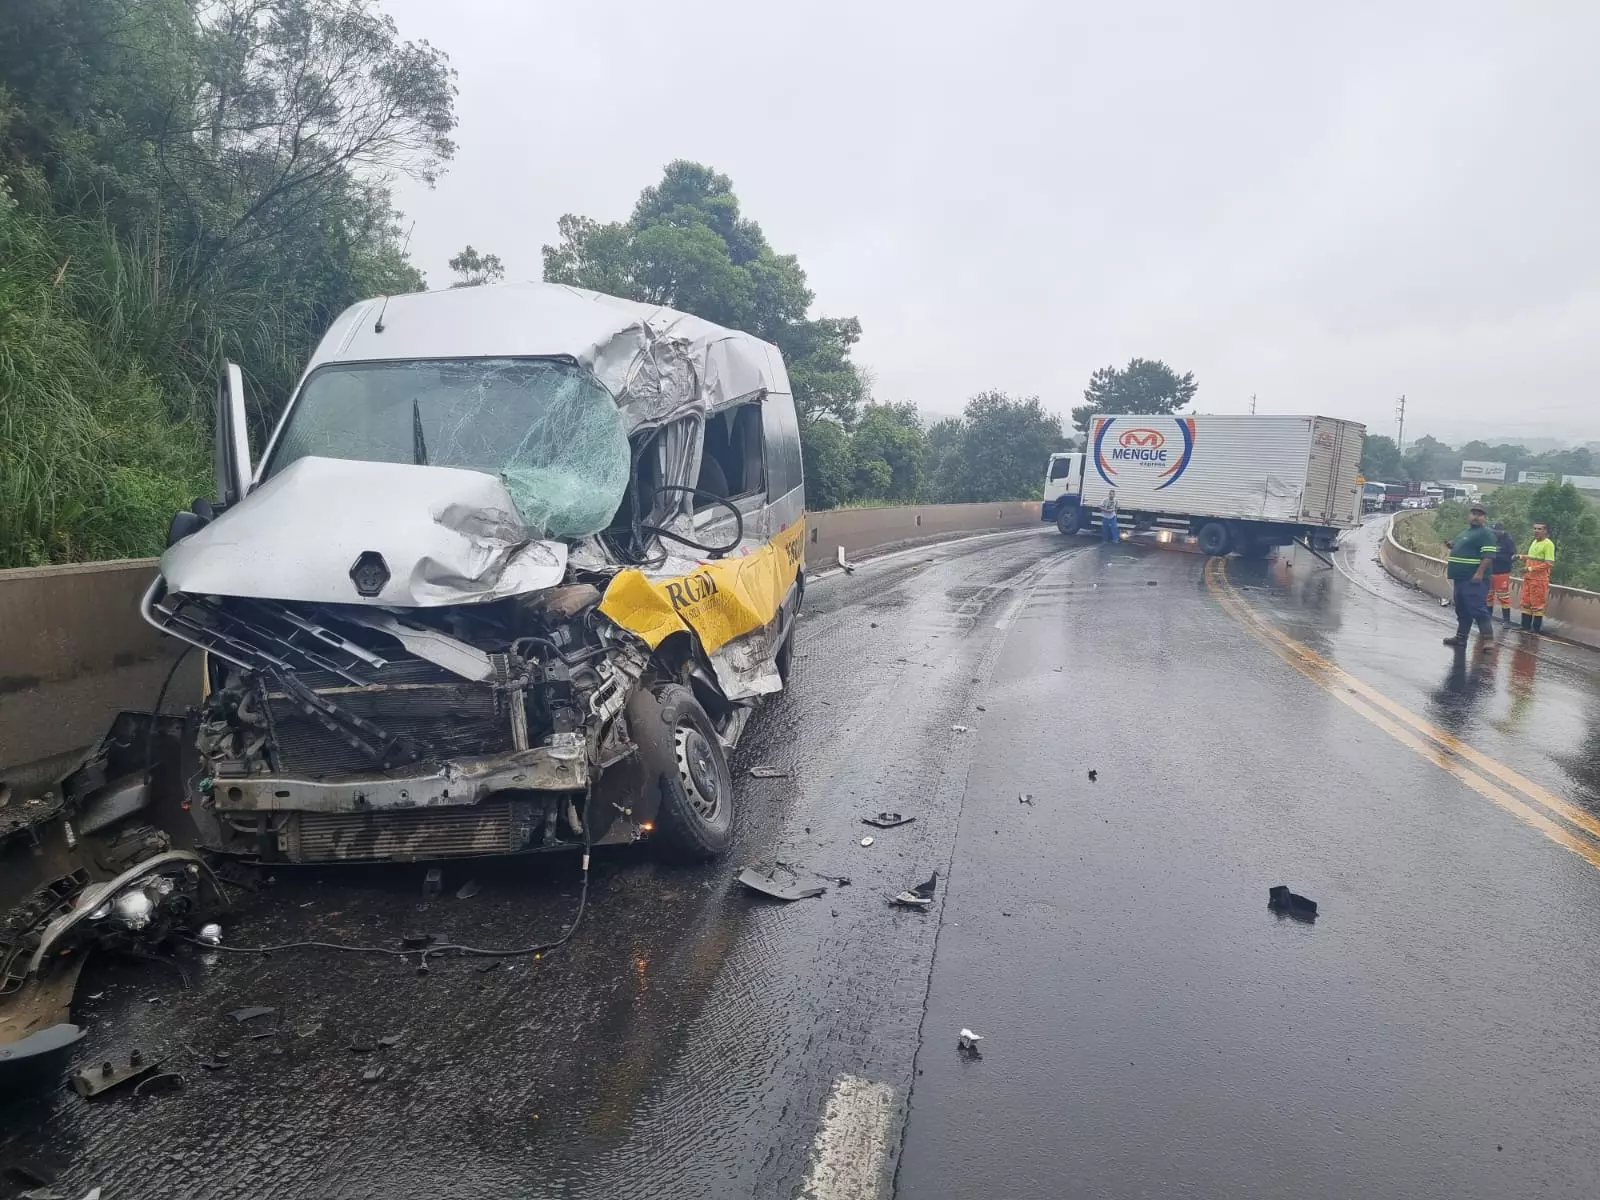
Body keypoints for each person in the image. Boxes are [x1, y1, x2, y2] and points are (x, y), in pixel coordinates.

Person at [1441, 503, 1496, 650]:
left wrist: (1479, 573)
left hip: (1474, 579)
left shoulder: (1486, 533)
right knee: (1462, 608)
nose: (1476, 517)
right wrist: (1453, 545)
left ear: (1484, 518)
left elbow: (1489, 556)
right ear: (1469, 515)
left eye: (1479, 514)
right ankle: (1461, 638)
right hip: (1460, 578)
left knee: (1477, 608)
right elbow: (1463, 545)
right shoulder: (1466, 532)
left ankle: (1488, 640)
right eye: (1473, 513)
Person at [1516, 521, 1556, 633]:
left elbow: (1549, 563)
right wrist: (1520, 556)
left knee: (1537, 604)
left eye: (1539, 529)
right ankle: (1525, 626)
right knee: (1526, 602)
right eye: (1535, 528)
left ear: (1545, 531)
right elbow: (1532, 557)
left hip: (1539, 579)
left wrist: (1530, 569)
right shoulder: (1534, 542)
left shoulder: (1548, 544)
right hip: (1529, 578)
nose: (1536, 531)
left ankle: (1535, 629)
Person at [1489, 521, 1517, 624]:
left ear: (1501, 531)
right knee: (1488, 595)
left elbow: (1513, 556)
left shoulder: (1508, 540)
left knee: (1503, 597)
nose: (1494, 533)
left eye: (1496, 531)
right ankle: (1487, 617)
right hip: (1490, 571)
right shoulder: (1490, 539)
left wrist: (1500, 558)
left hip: (1502, 572)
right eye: (1493, 531)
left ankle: (1506, 620)